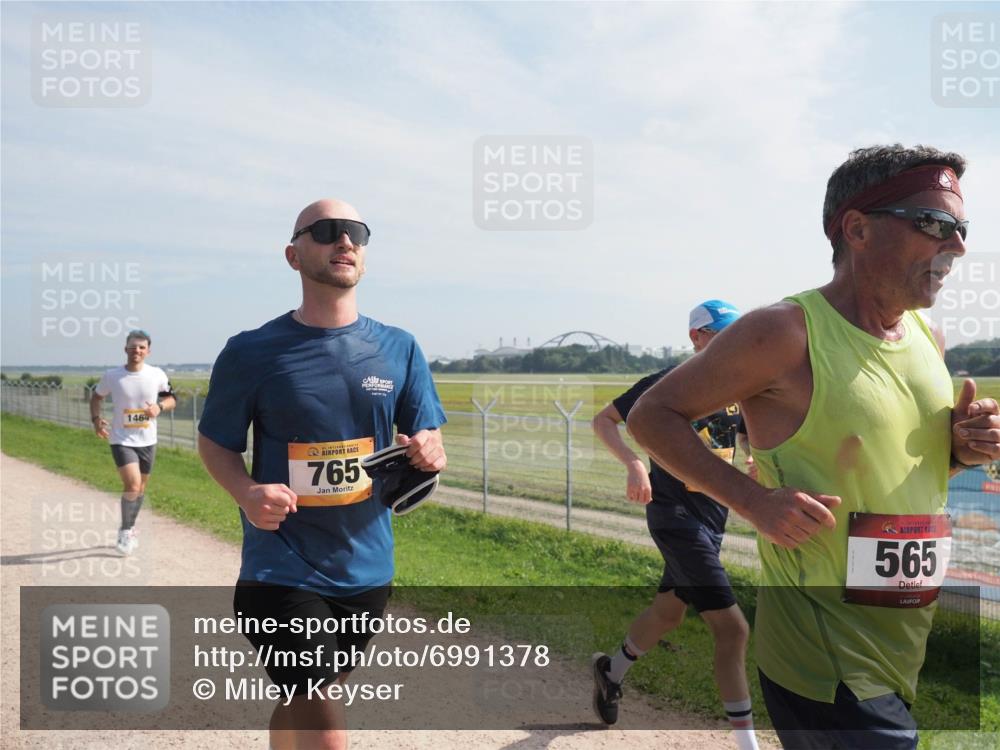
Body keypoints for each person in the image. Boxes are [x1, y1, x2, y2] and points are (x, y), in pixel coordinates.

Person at [626, 145, 1000, 749]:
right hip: (823, 657)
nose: (956, 246)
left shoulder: (930, 337)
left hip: (900, 644)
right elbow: (652, 416)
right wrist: (754, 502)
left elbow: (889, 465)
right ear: (857, 228)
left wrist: (963, 449)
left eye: (963, 228)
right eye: (934, 224)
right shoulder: (783, 331)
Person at [197, 199, 446, 750]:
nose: (346, 242)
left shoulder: (399, 348)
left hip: (367, 569)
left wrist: (431, 450)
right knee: (326, 724)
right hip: (280, 570)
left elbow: (429, 440)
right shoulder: (250, 352)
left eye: (356, 232)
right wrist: (245, 491)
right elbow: (215, 442)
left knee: (304, 700)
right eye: (329, 231)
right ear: (293, 254)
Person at [591, 300, 759, 750]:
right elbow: (604, 420)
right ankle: (748, 744)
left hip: (714, 516)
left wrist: (753, 459)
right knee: (734, 629)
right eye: (722, 332)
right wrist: (633, 464)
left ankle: (610, 673)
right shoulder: (665, 384)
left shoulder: (737, 387)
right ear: (697, 337)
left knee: (669, 613)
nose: (732, 341)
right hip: (674, 517)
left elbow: (745, 438)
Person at [90, 329, 176, 555]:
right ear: (125, 349)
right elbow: (97, 396)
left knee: (140, 489)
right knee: (133, 485)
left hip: (148, 440)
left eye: (141, 347)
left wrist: (159, 407)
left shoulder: (156, 374)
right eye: (132, 346)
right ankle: (125, 531)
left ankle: (130, 526)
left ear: (148, 351)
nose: (136, 350)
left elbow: (171, 398)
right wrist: (96, 420)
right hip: (121, 439)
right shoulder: (112, 375)